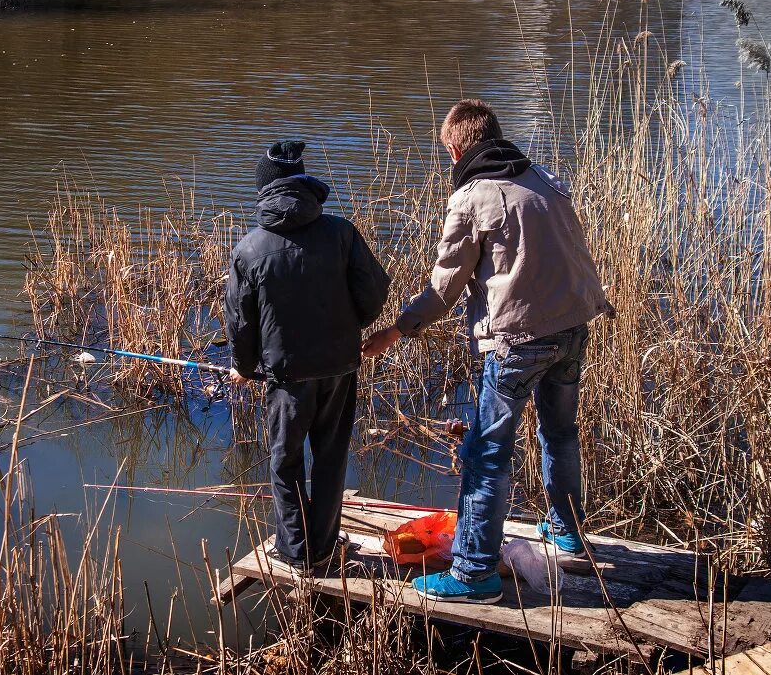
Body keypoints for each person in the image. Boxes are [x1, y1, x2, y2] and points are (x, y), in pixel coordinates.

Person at [362, 99, 612, 604]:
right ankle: (567, 535)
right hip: (575, 326)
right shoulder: (542, 179)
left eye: (447, 157)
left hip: (518, 340)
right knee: (560, 432)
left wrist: (395, 330)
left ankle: (474, 573)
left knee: (486, 452)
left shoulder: (472, 198)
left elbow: (443, 289)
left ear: (456, 150)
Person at [225, 140, 391, 574]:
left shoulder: (249, 249)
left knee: (285, 459)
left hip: (287, 376)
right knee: (331, 455)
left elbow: (241, 326)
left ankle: (297, 552)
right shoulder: (342, 233)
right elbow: (373, 295)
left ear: (264, 190)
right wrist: (349, 328)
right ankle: (323, 545)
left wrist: (244, 369)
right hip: (340, 366)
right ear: (303, 183)